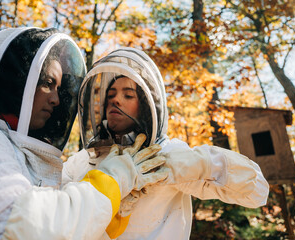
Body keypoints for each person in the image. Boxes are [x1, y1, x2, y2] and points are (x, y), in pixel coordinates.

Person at [0, 28, 168, 240]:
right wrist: (113, 180)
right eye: (48, 83)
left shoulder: (23, 153)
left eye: (59, 88)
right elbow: (26, 226)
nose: (56, 100)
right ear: (18, 80)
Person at [62, 47, 270, 239]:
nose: (116, 100)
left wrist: (203, 163)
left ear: (144, 105)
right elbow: (55, 218)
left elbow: (258, 192)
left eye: (128, 95)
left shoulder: (168, 153)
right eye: (111, 95)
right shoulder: (82, 161)